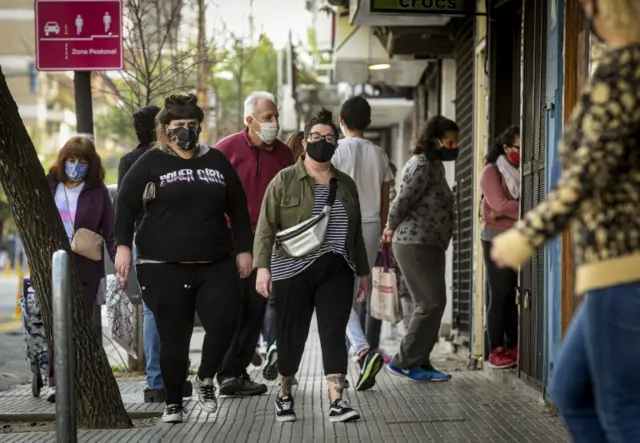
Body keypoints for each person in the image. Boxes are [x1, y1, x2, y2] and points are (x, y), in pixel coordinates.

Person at [491, 1, 640, 439]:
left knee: (622, 408)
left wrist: (526, 236)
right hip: (610, 271)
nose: (588, 13)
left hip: (622, 267)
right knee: (572, 390)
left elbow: (587, 174)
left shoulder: (624, 72)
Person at [114, 93, 253, 424]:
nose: (186, 131)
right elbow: (125, 204)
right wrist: (122, 246)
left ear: (200, 127)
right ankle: (173, 401)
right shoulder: (149, 162)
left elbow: (238, 207)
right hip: (162, 266)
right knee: (173, 336)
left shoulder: (217, 161)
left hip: (215, 261)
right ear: (165, 128)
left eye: (192, 125)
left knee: (224, 321)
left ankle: (206, 378)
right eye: (179, 125)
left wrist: (245, 249)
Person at [254, 108, 370, 423]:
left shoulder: (345, 184)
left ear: (336, 143)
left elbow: (355, 233)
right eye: (316, 137)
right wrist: (262, 267)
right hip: (291, 268)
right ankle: (284, 394)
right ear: (305, 142)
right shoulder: (285, 180)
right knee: (292, 335)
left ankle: (337, 400)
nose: (322, 142)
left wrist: (364, 273)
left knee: (333, 333)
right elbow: (266, 227)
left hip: (337, 267)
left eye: (329, 138)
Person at [216, 91, 294, 396]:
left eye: (275, 116)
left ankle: (239, 371)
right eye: (267, 117)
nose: (274, 122)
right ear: (249, 120)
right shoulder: (226, 150)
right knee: (232, 307)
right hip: (232, 239)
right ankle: (225, 372)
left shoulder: (284, 155)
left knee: (256, 307)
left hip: (270, 241)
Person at [117, 106, 192, 403]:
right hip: (183, 238)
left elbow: (125, 205)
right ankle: (179, 377)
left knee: (152, 310)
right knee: (182, 307)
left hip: (145, 239)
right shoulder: (177, 156)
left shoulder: (129, 161)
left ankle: (156, 381)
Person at [382, 115, 458, 382]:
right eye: (449, 141)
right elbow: (401, 200)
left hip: (431, 243)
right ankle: (403, 361)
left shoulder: (436, 166)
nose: (453, 146)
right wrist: (389, 228)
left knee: (435, 303)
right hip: (414, 242)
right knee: (430, 302)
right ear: (435, 139)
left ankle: (422, 363)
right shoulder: (422, 165)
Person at [48, 135, 116, 402]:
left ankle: (78, 378)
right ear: (63, 160)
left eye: (82, 161)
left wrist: (119, 265)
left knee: (77, 323)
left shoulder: (97, 192)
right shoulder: (49, 184)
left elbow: (110, 232)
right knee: (56, 323)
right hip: (53, 264)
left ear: (91, 164)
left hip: (86, 267)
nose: (75, 165)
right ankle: (56, 382)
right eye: (71, 160)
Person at [333, 96, 391, 381]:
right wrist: (379, 231)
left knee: (335, 293)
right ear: (368, 123)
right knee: (353, 291)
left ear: (341, 121)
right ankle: (353, 358)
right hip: (370, 227)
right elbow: (384, 200)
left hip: (340, 224)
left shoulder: (335, 150)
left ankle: (362, 350)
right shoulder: (379, 154)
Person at [261, 130, 304, 382]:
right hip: (299, 247)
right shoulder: (305, 174)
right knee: (295, 306)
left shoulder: (279, 168)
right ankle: (285, 360)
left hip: (275, 243)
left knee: (273, 301)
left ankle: (273, 349)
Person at [479, 126, 520, 370]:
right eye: (517, 147)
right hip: (496, 238)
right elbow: (499, 203)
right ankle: (495, 349)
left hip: (518, 237)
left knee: (515, 293)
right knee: (500, 293)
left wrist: (505, 210)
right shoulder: (491, 171)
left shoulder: (521, 171)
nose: (521, 153)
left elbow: (505, 208)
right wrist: (516, 206)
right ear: (506, 148)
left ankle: (512, 344)